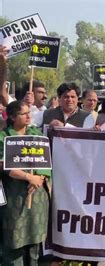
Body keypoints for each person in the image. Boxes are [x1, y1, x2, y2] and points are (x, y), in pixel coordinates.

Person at [0, 101, 51, 265]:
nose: (29, 116)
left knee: (35, 239)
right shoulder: (4, 137)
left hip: (36, 196)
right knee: (15, 239)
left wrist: (40, 178)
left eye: (29, 112)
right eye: (24, 113)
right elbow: (4, 165)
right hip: (14, 198)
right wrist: (28, 177)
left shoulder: (36, 134)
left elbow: (45, 162)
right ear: (13, 116)